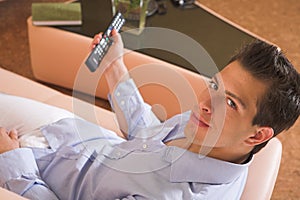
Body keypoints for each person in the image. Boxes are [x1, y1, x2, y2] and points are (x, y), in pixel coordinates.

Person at [0, 30, 299, 200]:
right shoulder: (211, 130)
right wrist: (114, 66)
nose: (207, 102)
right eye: (214, 85)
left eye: (231, 103)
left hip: (38, 179)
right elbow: (148, 135)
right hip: (70, 136)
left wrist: (14, 163)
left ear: (257, 135)